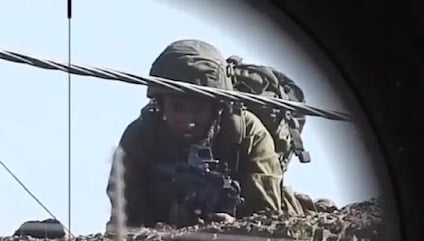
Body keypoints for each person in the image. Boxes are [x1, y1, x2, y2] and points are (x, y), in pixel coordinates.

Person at [106, 39, 313, 229]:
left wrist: (236, 226)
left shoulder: (249, 135)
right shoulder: (141, 138)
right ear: (159, 105)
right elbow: (123, 220)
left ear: (217, 108)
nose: (188, 120)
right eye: (177, 107)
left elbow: (268, 219)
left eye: (197, 109)